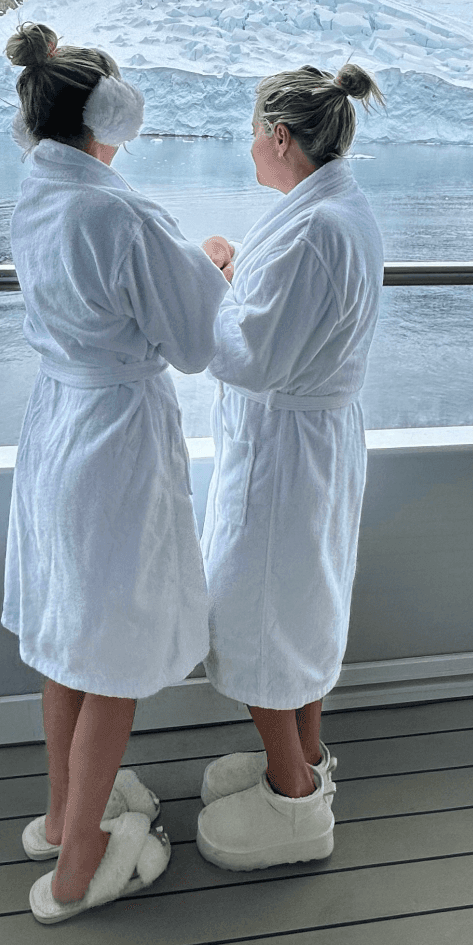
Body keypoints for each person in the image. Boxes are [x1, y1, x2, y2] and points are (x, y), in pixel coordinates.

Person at [0, 22, 229, 923]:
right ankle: (81, 865)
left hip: (56, 424)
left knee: (68, 636)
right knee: (116, 652)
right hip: (115, 442)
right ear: (114, 113)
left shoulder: (37, 194)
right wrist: (211, 265)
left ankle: (63, 816)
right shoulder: (121, 212)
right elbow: (196, 341)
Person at [195, 62, 385, 872]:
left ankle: (294, 801)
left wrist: (211, 284)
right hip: (316, 440)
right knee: (301, 601)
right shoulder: (334, 209)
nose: (249, 149)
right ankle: (308, 757)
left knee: (258, 614)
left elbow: (250, 357)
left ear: (280, 136)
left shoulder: (313, 230)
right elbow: (287, 326)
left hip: (285, 450)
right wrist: (245, 275)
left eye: (253, 135)